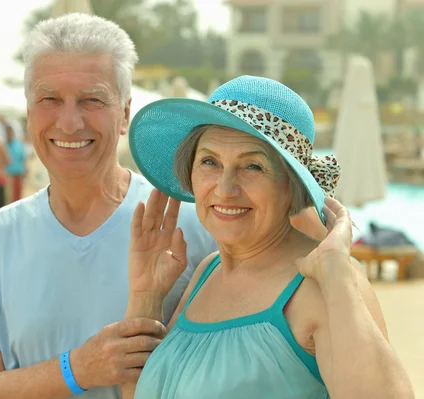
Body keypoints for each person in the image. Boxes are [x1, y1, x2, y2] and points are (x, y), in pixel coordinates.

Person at [0, 14, 217, 399]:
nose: (69, 122)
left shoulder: (189, 224)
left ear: (125, 113)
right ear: (29, 113)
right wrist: (77, 369)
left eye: (92, 100)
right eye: (50, 100)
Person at [121, 76, 415, 398]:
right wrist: (146, 297)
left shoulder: (325, 283)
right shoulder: (208, 272)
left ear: (292, 186)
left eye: (253, 167)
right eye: (210, 162)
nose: (224, 188)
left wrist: (336, 270)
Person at [4, 124, 27, 203]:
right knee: (9, 197)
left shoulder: (18, 145)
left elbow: (23, 158)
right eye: (7, 133)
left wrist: (25, 170)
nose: (8, 134)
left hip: (18, 172)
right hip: (8, 174)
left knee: (18, 195)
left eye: (10, 132)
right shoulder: (3, 145)